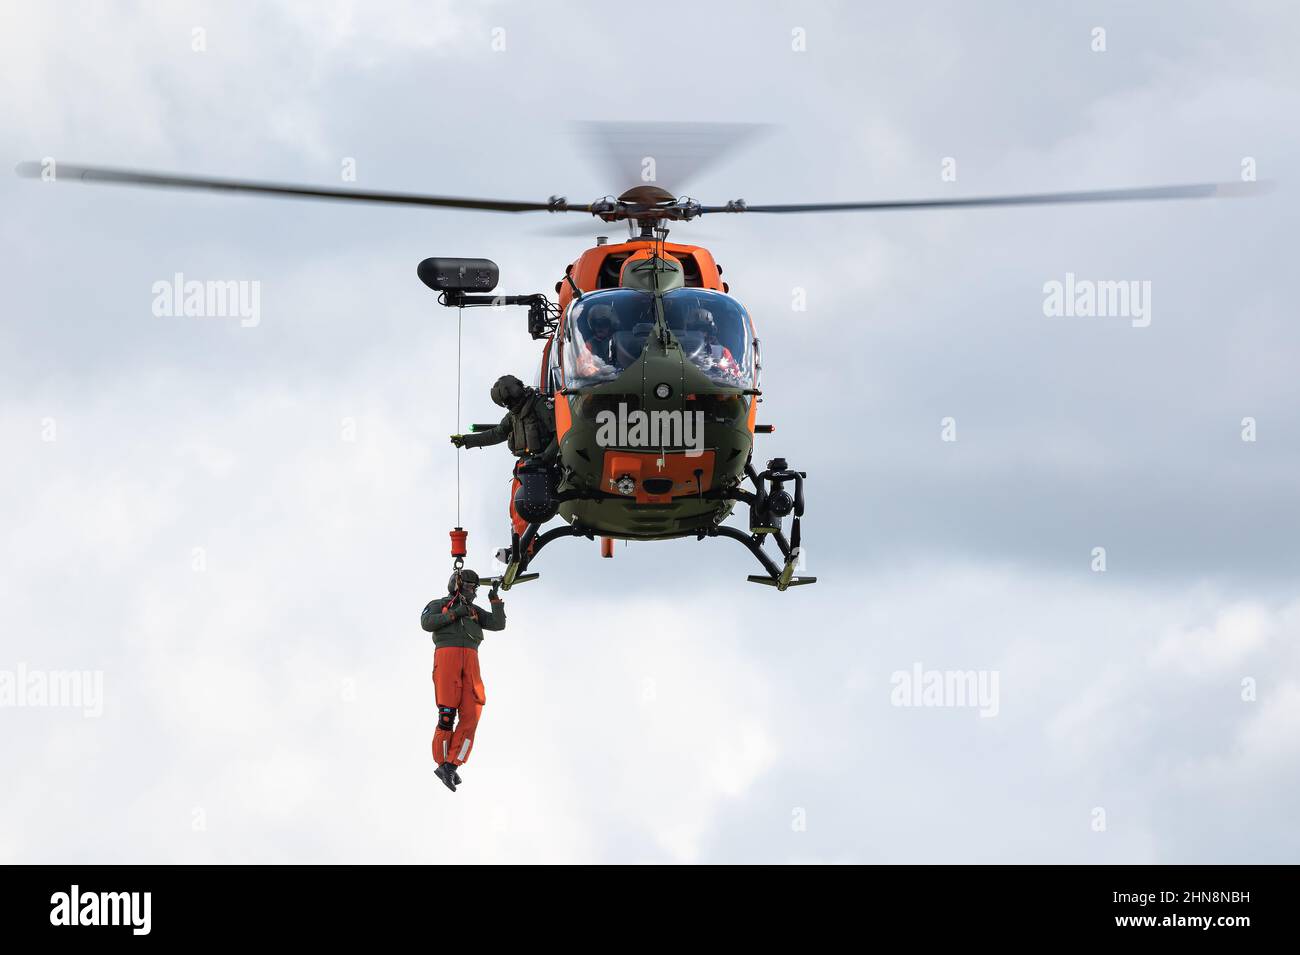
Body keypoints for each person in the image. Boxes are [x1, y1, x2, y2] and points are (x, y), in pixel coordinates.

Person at [420, 568, 506, 793]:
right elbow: (427, 622)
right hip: (447, 656)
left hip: (471, 660)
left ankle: (451, 764)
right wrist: (454, 614)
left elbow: (498, 623)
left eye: (474, 587)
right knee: (447, 714)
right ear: (456, 584)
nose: (472, 590)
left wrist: (495, 598)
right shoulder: (440, 604)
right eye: (468, 586)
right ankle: (442, 762)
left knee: (473, 713)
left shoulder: (474, 611)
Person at [450, 374, 558, 541]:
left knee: (526, 503)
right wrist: (466, 440)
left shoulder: (540, 405)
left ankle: (524, 543)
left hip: (541, 466)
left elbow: (560, 434)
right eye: (506, 404)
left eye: (509, 402)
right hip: (525, 466)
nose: (509, 406)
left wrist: (546, 457)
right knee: (516, 507)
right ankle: (518, 542)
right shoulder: (513, 416)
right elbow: (497, 434)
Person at [688, 308, 742, 380]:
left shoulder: (722, 352)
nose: (700, 334)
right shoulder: (678, 346)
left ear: (710, 331)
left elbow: (736, 377)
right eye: (696, 329)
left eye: (704, 329)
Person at [576, 304, 617, 378]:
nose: (600, 327)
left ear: (610, 325)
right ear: (592, 325)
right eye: (596, 324)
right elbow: (582, 368)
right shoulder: (588, 345)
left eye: (604, 323)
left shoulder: (617, 341)